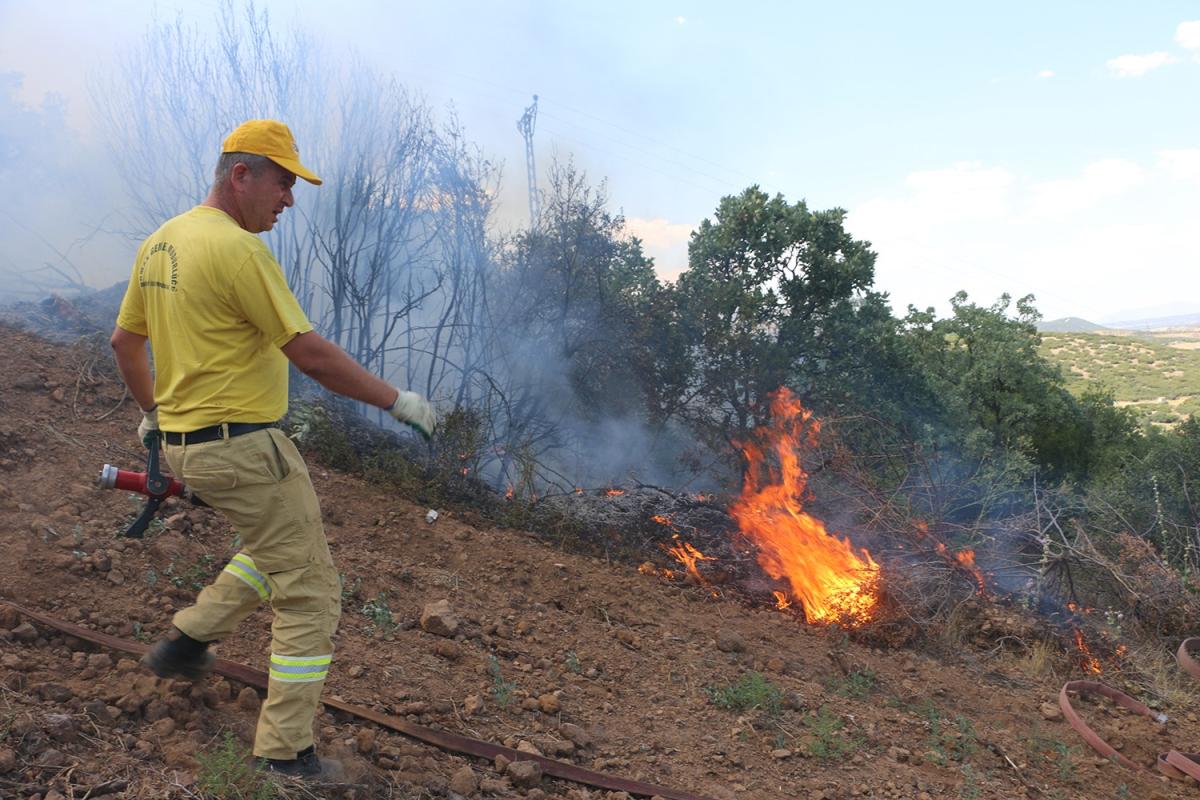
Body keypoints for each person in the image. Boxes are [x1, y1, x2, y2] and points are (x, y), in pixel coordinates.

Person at [109, 119, 435, 778]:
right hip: (243, 447)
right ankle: (285, 757)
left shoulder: (161, 243)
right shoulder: (239, 251)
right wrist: (394, 400)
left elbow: (125, 344)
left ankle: (187, 640)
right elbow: (309, 352)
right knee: (312, 593)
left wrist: (153, 416)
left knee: (277, 546)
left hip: (187, 446)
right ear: (242, 175)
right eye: (283, 182)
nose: (288, 199)